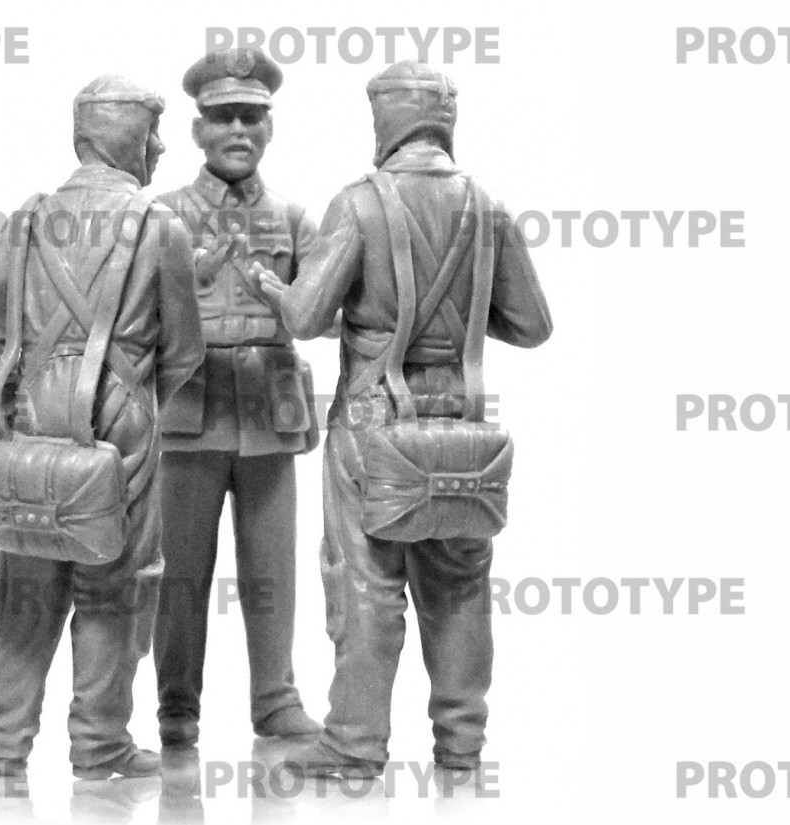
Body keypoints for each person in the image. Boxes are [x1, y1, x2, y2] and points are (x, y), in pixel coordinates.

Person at [257, 61, 553, 776]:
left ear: (385, 122)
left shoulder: (358, 203)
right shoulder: (487, 205)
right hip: (461, 424)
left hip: (374, 422)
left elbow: (306, 315)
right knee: (460, 586)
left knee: (366, 582)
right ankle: (461, 745)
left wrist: (272, 287)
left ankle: (355, 744)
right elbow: (533, 324)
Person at [0, 74, 205, 781]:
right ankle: (99, 747)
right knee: (115, 586)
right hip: (121, 424)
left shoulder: (29, 217)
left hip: (33, 419)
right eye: (152, 133)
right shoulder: (161, 226)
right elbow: (184, 350)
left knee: (28, 583)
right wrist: (132, 398)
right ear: (127, 137)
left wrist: (15, 391)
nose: (161, 148)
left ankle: (7, 746)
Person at [152, 47, 323, 747]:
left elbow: (325, 314)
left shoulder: (294, 217)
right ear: (197, 129)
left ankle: (276, 699)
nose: (238, 131)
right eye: (223, 117)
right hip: (189, 409)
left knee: (273, 568)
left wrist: (279, 296)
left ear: (270, 127)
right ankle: (176, 705)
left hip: (268, 409)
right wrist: (189, 280)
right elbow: (133, 315)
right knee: (180, 571)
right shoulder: (163, 215)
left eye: (251, 117)